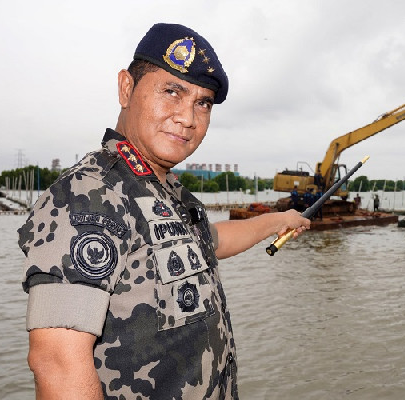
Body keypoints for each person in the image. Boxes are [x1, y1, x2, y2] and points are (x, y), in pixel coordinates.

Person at [18, 23, 310, 400]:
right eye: (171, 91)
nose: (188, 118)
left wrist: (279, 221)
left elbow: (212, 241)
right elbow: (57, 362)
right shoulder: (90, 193)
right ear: (126, 89)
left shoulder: (167, 190)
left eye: (202, 103)